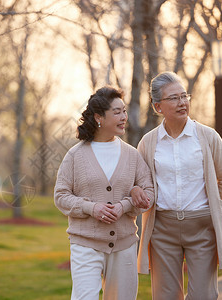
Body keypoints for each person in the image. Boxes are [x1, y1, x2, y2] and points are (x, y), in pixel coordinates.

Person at [136, 71, 222, 300]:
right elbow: (140, 184)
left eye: (184, 96)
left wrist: (206, 200)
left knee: (204, 295)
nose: (182, 103)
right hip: (162, 229)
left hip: (202, 227)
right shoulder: (148, 143)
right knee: (165, 296)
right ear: (157, 106)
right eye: (173, 98)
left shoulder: (208, 137)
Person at [54, 86, 154, 300]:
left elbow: (149, 192)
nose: (123, 117)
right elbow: (61, 196)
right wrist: (92, 208)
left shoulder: (132, 155)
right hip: (85, 244)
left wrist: (125, 205)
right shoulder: (75, 156)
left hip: (124, 244)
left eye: (124, 111)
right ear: (99, 117)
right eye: (116, 112)